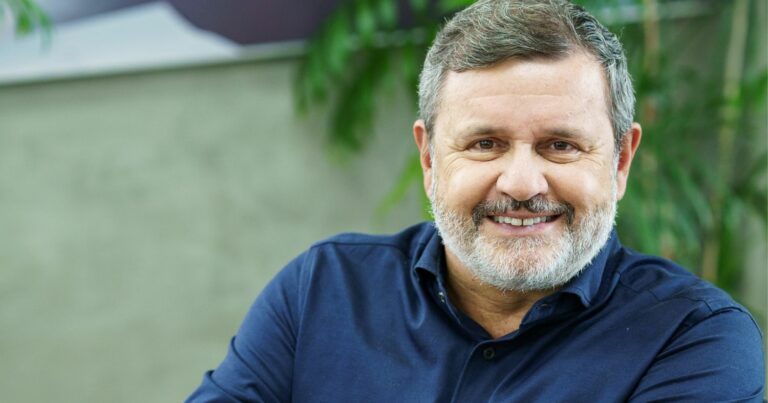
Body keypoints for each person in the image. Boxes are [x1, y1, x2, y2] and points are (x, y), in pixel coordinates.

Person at [187, 0, 765, 401]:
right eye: (485, 144)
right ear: (430, 158)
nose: (521, 183)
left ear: (620, 160)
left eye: (559, 145)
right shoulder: (322, 291)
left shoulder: (695, 339)